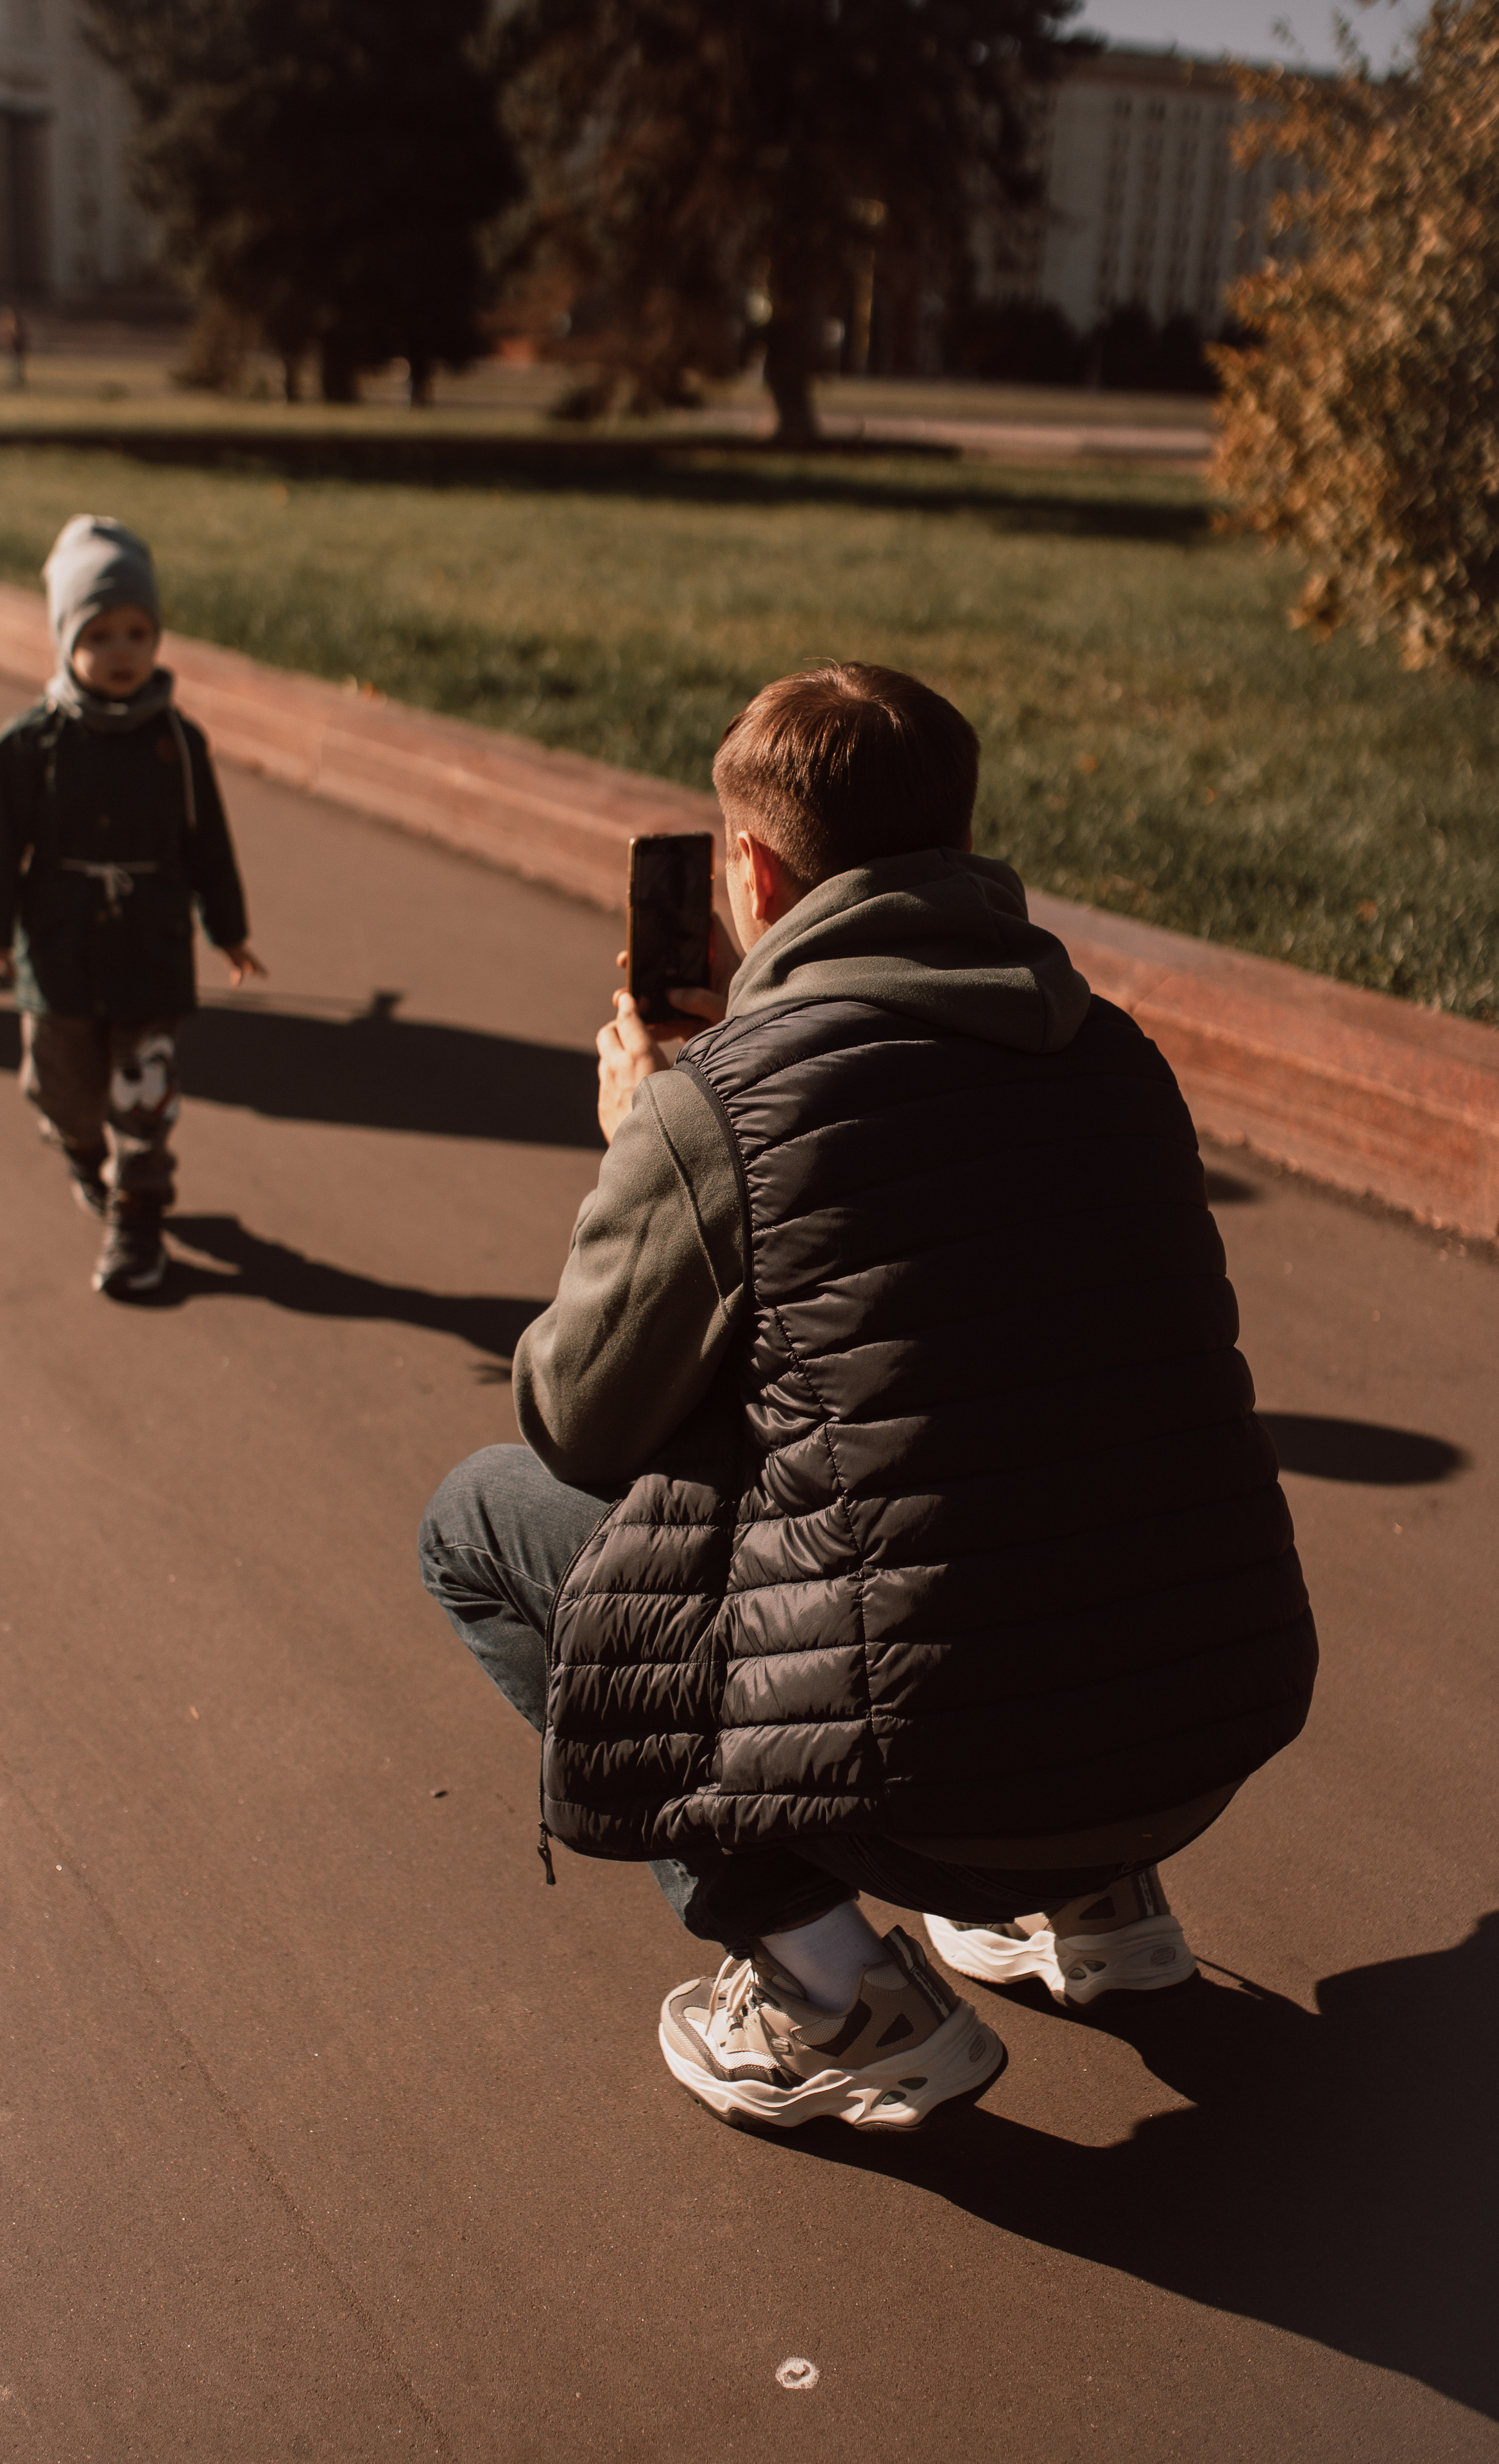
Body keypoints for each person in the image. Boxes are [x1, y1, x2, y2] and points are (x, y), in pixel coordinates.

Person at [419, 662, 1317, 2135]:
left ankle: (829, 1989)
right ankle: (1094, 1909)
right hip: (1200, 1734)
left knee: (474, 1519)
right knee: (1016, 1401)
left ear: (752, 875)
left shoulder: (720, 1103)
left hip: (945, 1792)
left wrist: (646, 1138)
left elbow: (573, 1420)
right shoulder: (1109, 1050)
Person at [0, 515, 264, 1298]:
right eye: (100, 635)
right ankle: (78, 1145)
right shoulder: (27, 745)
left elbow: (209, 847)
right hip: (58, 950)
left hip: (149, 949)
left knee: (143, 1089)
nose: (122, 652)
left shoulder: (179, 743)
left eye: (138, 632)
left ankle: (138, 1219)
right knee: (58, 1085)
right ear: (65, 640)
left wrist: (228, 930)